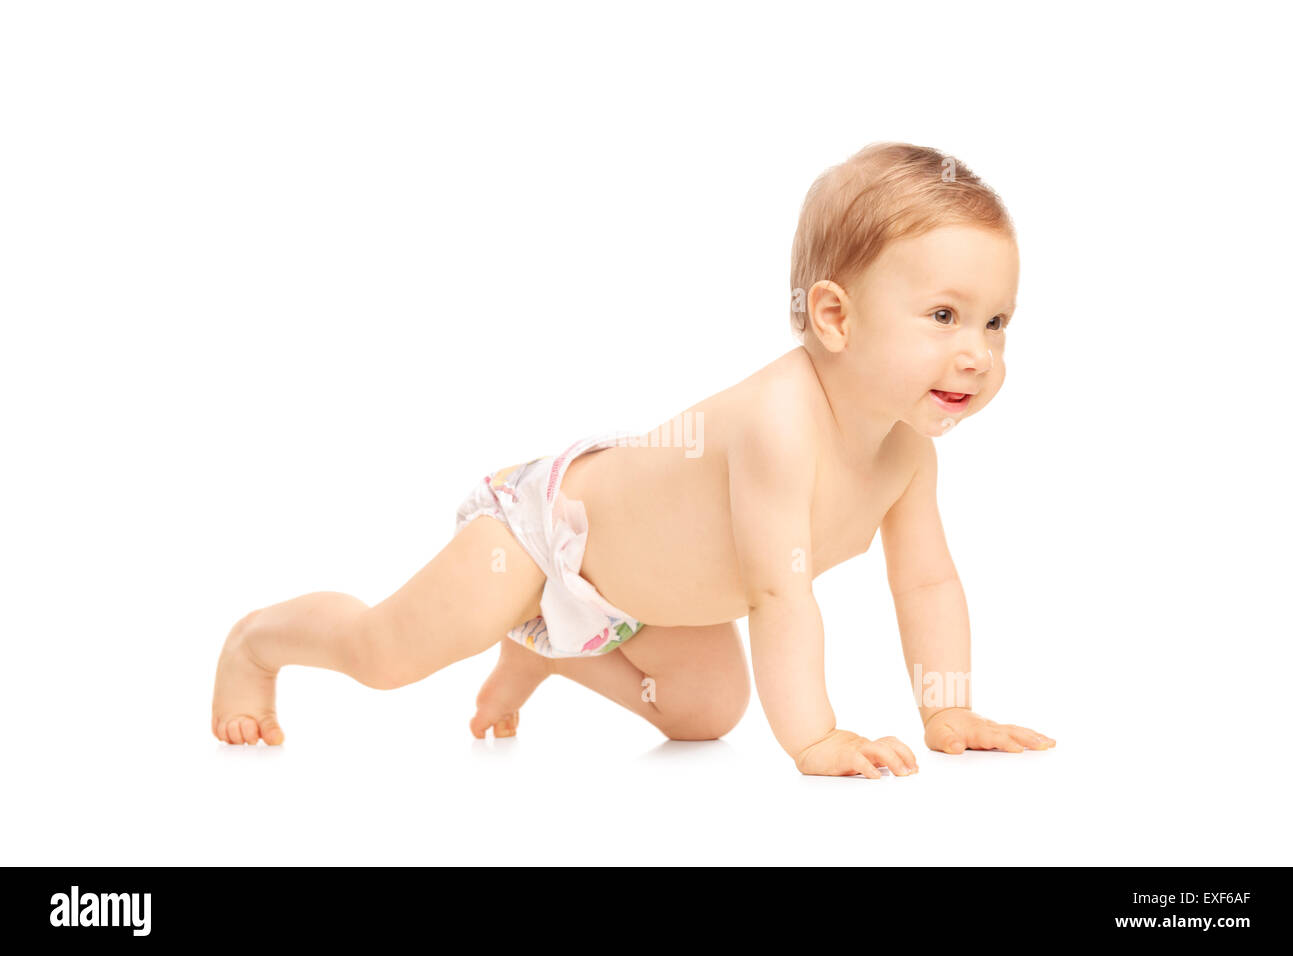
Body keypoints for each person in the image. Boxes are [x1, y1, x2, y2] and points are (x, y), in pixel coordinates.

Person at [211, 141, 1056, 777]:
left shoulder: (908, 455)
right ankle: (257, 644)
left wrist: (948, 711)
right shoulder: (781, 421)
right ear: (833, 317)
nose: (979, 352)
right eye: (944, 316)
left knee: (703, 712)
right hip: (545, 534)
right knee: (386, 655)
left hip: (642, 603)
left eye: (997, 323)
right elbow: (776, 591)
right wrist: (814, 736)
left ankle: (546, 648)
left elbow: (926, 584)